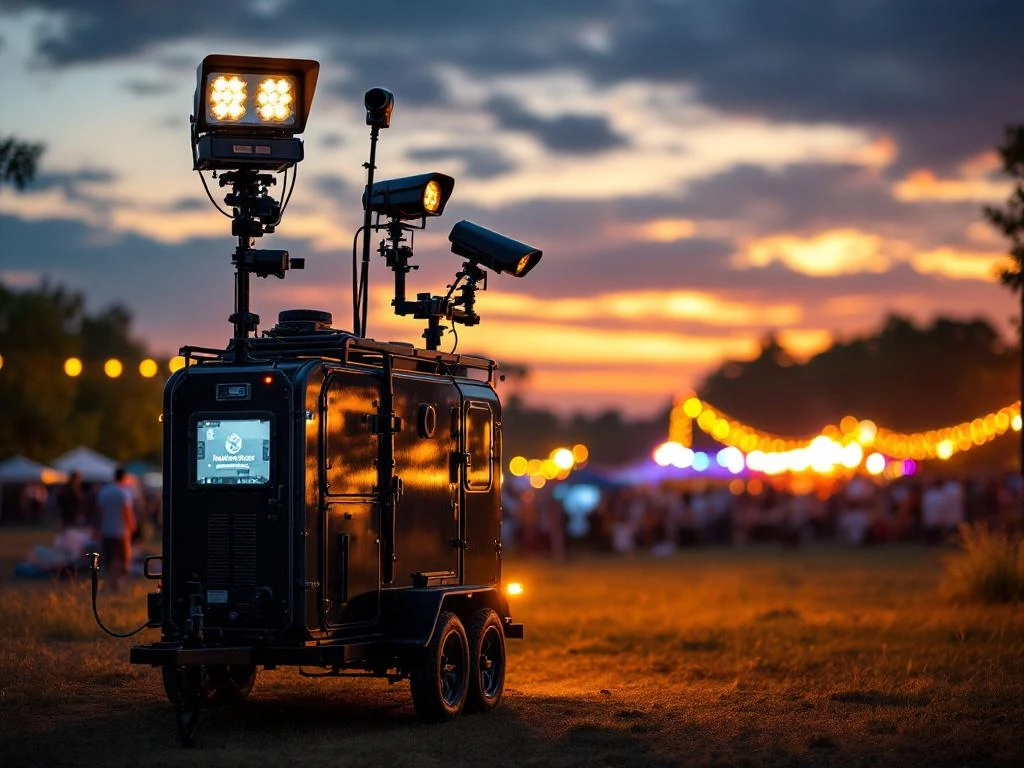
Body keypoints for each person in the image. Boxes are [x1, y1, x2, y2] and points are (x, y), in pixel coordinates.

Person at [95, 466, 137, 592]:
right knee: (121, 559)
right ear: (124, 477)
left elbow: (99, 511)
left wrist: (99, 527)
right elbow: (127, 512)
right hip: (121, 532)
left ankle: (109, 583)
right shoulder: (123, 492)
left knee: (109, 559)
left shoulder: (104, 491)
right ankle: (117, 584)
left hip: (106, 531)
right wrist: (132, 526)